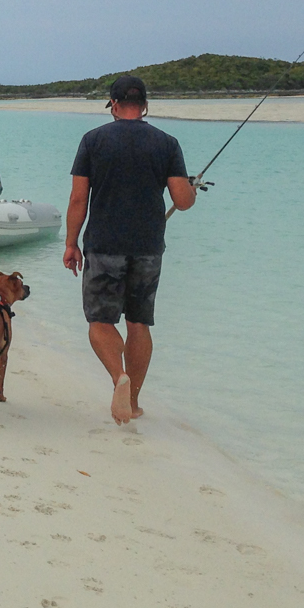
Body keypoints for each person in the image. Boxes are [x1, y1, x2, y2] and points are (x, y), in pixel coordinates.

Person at [62, 75, 197, 425]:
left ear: (114, 105)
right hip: (148, 248)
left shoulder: (93, 140)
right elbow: (183, 201)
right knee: (139, 323)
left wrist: (71, 243)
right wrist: (191, 187)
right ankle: (133, 401)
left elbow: (78, 199)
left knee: (100, 321)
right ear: (145, 106)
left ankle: (118, 377)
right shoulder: (167, 143)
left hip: (104, 245)